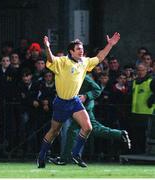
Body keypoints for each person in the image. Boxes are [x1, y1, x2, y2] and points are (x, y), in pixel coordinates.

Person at [37, 32, 120, 168]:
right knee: (54, 131)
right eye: (78, 49)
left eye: (82, 49)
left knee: (87, 127)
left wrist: (110, 44)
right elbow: (51, 59)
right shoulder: (63, 61)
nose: (81, 51)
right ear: (71, 51)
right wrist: (47, 47)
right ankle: (41, 156)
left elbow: (99, 57)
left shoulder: (84, 62)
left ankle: (75, 154)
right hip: (61, 102)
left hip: (74, 101)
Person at [49, 75, 131, 167]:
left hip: (84, 109)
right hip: (78, 108)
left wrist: (86, 96)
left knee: (74, 131)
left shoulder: (84, 77)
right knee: (91, 129)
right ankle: (120, 134)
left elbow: (97, 90)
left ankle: (65, 158)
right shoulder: (70, 76)